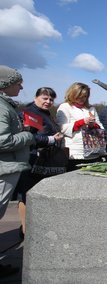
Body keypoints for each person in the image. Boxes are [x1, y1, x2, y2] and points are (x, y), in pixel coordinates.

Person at [0, 66, 34, 277]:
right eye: (17, 82)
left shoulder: (5, 106)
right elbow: (2, 140)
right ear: (5, 83)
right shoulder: (2, 108)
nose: (21, 86)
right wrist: (27, 136)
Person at [16, 87, 64, 238]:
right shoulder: (29, 113)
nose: (48, 102)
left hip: (43, 159)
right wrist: (51, 139)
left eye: (51, 99)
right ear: (36, 97)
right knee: (26, 195)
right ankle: (25, 230)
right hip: (32, 159)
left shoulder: (45, 114)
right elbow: (28, 137)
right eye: (45, 98)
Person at [56, 82, 104, 171]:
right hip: (75, 153)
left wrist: (93, 125)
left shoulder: (91, 108)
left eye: (85, 96)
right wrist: (82, 122)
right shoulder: (65, 107)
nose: (82, 99)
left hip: (93, 151)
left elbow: (101, 128)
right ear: (72, 94)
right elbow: (62, 128)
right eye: (79, 96)